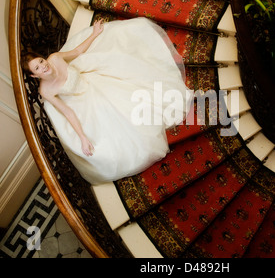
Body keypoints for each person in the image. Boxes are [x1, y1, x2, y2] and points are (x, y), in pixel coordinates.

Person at [22, 17, 191, 185]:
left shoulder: (55, 59)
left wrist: (94, 34)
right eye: (38, 68)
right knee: (114, 126)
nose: (44, 66)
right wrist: (82, 137)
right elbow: (67, 111)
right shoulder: (46, 91)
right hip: (81, 101)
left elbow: (78, 52)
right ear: (34, 75)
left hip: (91, 81)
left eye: (41, 61)